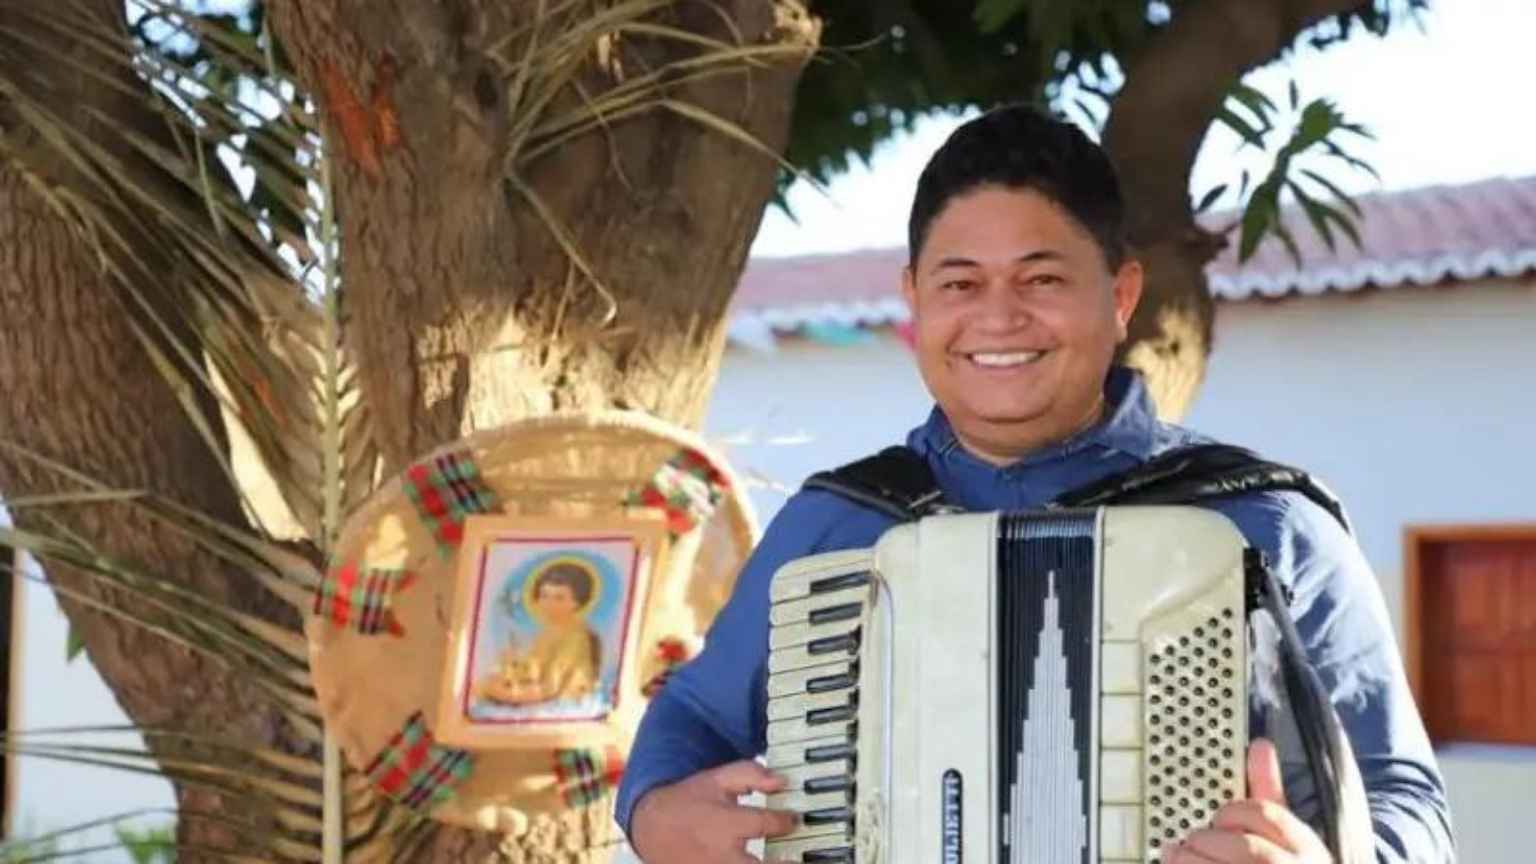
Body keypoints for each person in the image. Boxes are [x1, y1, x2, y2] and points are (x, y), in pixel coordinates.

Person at [615, 104, 1455, 864]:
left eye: (1042, 279)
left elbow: (1408, 805)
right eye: (960, 284)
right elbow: (695, 717)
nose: (998, 317)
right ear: (914, 301)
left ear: (1121, 295)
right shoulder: (834, 524)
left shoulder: (1268, 524)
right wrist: (654, 813)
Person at [476, 561, 602, 707]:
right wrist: (512, 665)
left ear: (576, 603)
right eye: (544, 596)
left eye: (559, 598)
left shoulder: (576, 636)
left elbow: (551, 687)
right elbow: (532, 671)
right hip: (538, 694)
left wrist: (511, 695)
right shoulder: (548, 631)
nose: (549, 604)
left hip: (564, 703)